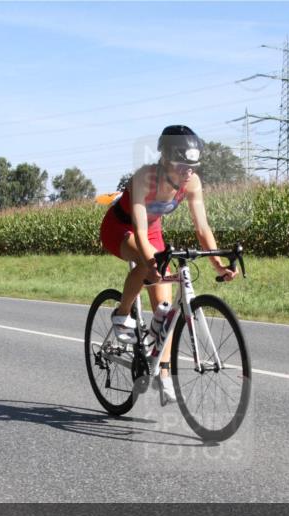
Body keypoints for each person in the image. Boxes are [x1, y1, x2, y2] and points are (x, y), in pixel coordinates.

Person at [99, 125, 237, 404]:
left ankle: (162, 373)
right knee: (147, 262)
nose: (189, 171)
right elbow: (138, 231)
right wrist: (150, 263)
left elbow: (203, 228)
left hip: (152, 230)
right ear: (164, 158)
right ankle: (121, 313)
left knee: (165, 311)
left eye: (193, 165)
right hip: (121, 228)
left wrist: (219, 265)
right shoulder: (145, 178)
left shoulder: (192, 183)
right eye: (182, 165)